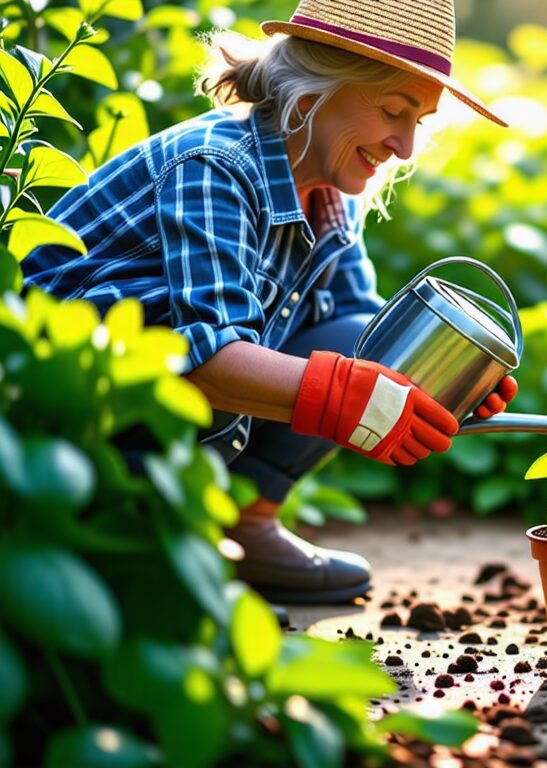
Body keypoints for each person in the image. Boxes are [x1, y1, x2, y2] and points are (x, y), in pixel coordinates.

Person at [22, 0, 515, 604]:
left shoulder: (331, 197)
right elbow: (204, 360)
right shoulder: (216, 166)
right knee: (337, 372)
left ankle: (243, 526)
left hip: (157, 422)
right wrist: (343, 396)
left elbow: (359, 332)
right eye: (393, 111)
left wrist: (438, 380)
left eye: (419, 121)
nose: (406, 146)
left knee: (364, 338)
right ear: (313, 90)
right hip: (58, 417)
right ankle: (118, 534)